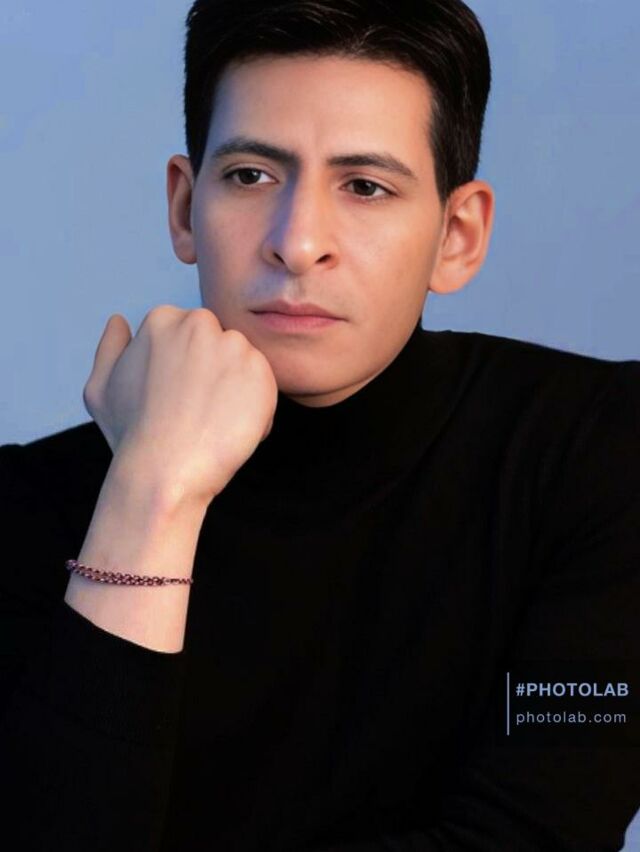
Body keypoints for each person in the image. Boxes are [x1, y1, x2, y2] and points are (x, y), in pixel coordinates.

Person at [1, 0, 639, 850]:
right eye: (251, 176)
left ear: (457, 235)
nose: (298, 244)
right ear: (185, 208)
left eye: (365, 186)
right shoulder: (21, 507)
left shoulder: (600, 453)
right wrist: (149, 496)